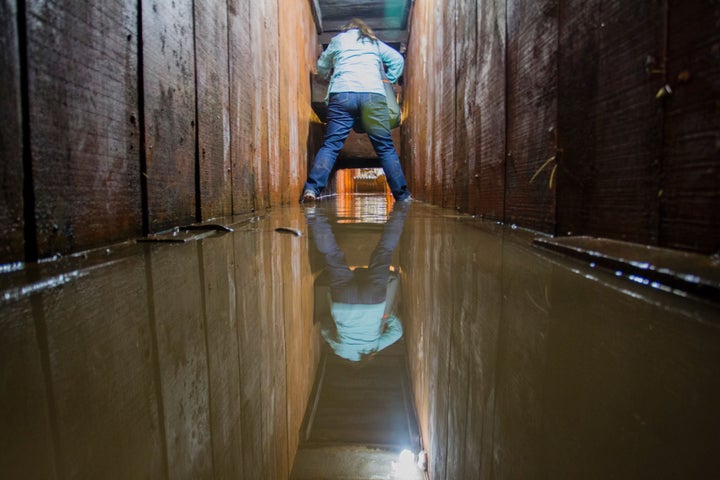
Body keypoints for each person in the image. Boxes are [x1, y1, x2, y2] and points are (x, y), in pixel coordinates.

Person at [301, 18, 412, 203]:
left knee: (331, 145)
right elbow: (397, 60)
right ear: (364, 29)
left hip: (342, 93)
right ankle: (403, 196)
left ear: (347, 29)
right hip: (373, 95)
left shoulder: (339, 39)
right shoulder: (374, 42)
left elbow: (321, 66)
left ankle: (311, 190)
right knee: (385, 148)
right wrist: (388, 80)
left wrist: (327, 72)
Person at [305, 202, 409, 362]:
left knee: (384, 251)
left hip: (373, 301)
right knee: (332, 254)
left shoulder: (373, 348)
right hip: (343, 302)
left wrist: (386, 316)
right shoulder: (340, 351)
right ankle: (312, 214)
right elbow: (324, 327)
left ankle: (401, 209)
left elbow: (397, 332)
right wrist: (333, 324)